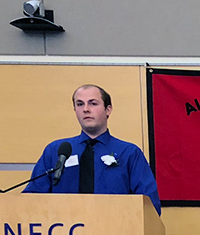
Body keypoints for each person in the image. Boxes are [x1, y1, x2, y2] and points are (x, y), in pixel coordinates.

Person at [24, 85, 161, 214]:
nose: (86, 109)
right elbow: (32, 201)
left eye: (93, 103)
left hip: (116, 233)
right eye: (80, 104)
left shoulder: (129, 153)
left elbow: (150, 208)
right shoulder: (56, 150)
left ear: (108, 110)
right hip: (64, 234)